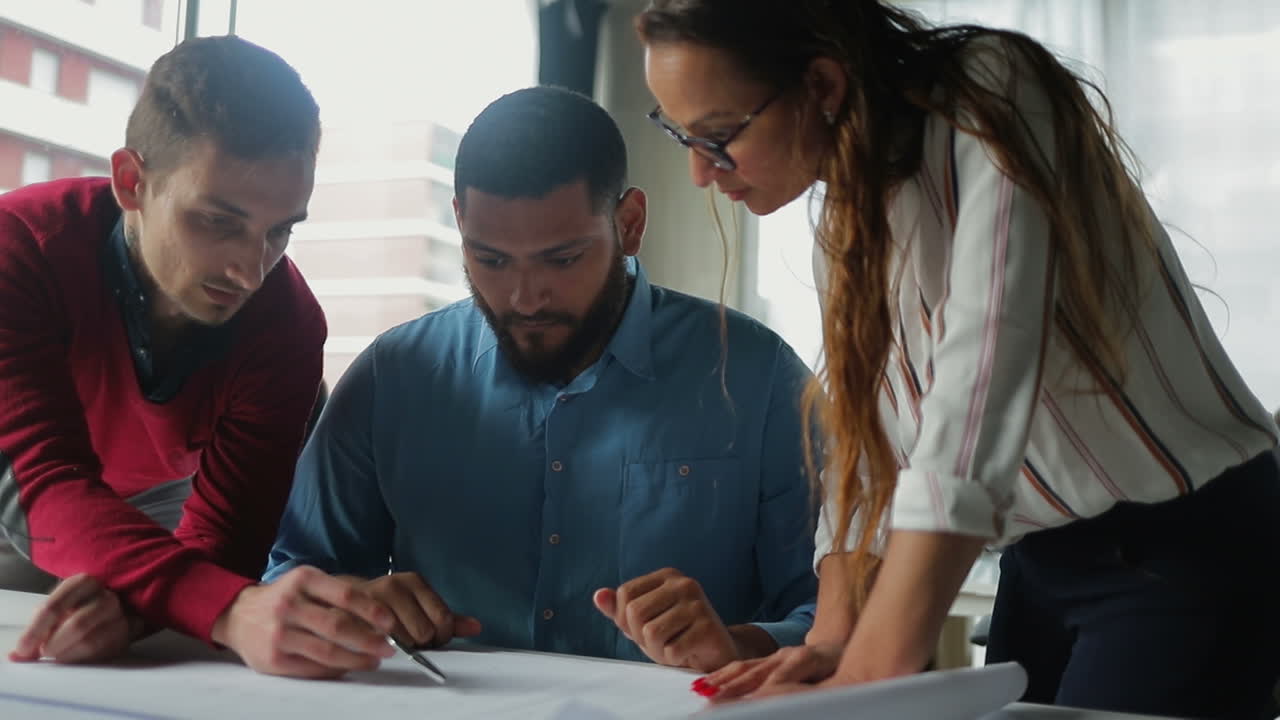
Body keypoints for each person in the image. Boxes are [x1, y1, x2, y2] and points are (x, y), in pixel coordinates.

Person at [635, 1, 1280, 717]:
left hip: (1182, 549)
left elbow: (980, 380)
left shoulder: (992, 92)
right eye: (680, 136)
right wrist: (832, 636)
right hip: (1038, 562)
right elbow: (867, 444)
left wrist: (871, 667)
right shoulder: (847, 214)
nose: (699, 173)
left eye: (719, 137)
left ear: (821, 85)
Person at [265, 86, 818, 672]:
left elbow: (836, 615)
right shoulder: (390, 379)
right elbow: (292, 581)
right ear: (459, 223)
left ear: (629, 224)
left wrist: (742, 646)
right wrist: (353, 609)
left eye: (562, 260)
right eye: (492, 259)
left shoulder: (758, 380)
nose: (525, 299)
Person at [0, 35, 398, 679]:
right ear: (132, 182)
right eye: (217, 221)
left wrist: (136, 605)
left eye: (280, 230)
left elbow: (226, 541)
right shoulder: (18, 247)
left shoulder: (290, 322)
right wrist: (232, 610)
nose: (249, 269)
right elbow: (40, 481)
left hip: (146, 508)